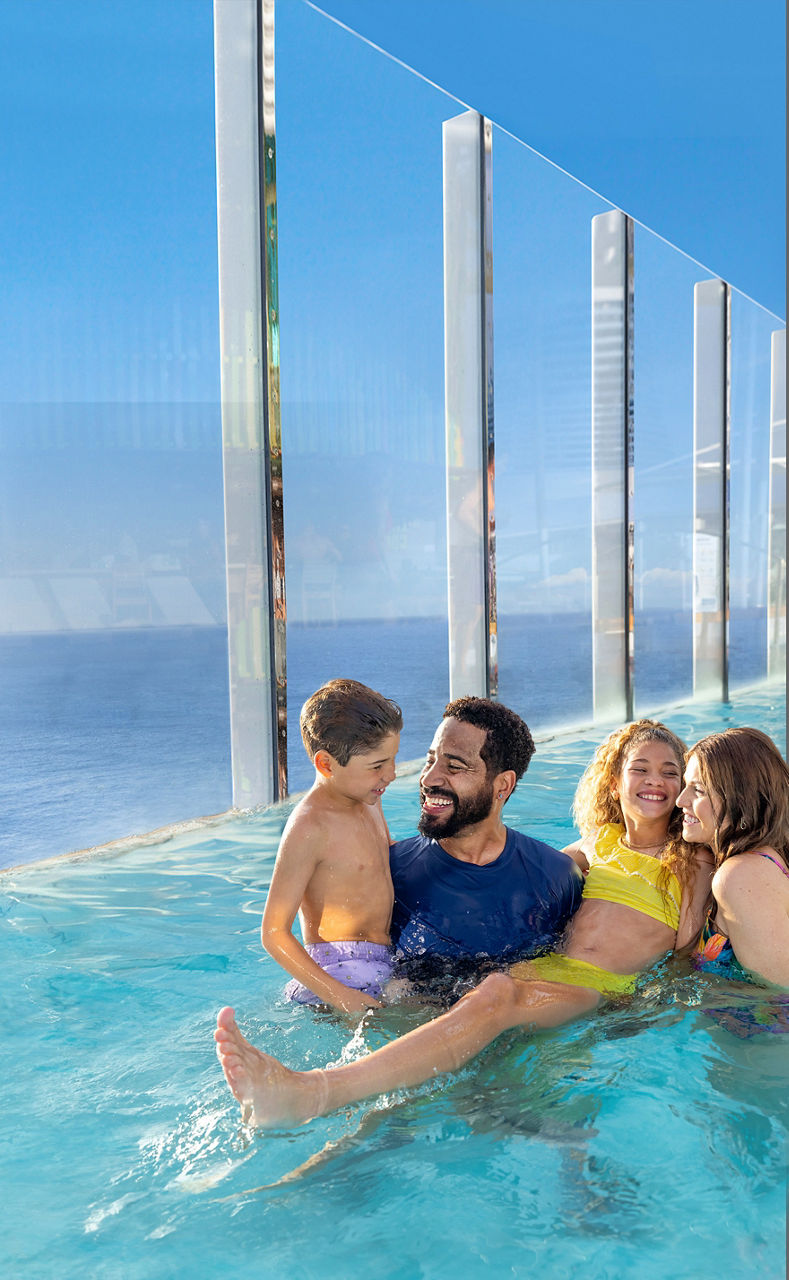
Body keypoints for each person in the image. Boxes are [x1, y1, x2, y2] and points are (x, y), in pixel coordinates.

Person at [215, 718, 714, 1128]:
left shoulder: (691, 864)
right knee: (411, 1101)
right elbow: (526, 886)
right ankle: (322, 1159)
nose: (655, 780)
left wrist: (640, 1012)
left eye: (672, 772)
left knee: (495, 996)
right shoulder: (593, 848)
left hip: (596, 988)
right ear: (615, 780)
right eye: (640, 768)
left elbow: (685, 956)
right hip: (538, 978)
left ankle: (314, 1091)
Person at [388, 696, 585, 993]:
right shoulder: (391, 871)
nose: (429, 778)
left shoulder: (556, 878)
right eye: (430, 760)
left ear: (502, 786)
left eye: (454, 766)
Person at [260, 678, 402, 1013]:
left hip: (385, 963)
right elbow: (274, 931)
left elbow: (386, 862)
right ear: (326, 764)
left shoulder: (368, 798)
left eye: (393, 759)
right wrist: (340, 996)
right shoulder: (310, 827)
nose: (392, 774)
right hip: (339, 974)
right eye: (378, 766)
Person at [680, 726, 789, 989]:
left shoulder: (742, 875)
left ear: (740, 798)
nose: (680, 800)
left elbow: (780, 998)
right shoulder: (760, 860)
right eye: (685, 786)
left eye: (698, 790)